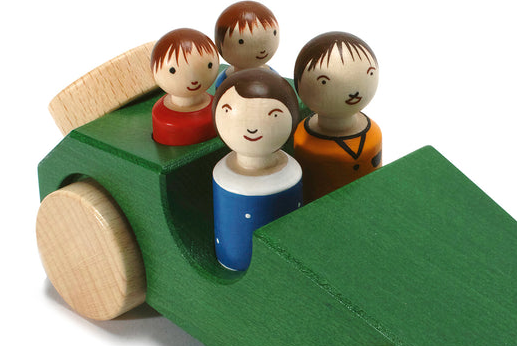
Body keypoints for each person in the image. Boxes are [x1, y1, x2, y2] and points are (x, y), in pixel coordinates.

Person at [212, 69, 302, 271]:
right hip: (236, 265)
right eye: (227, 111)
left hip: (286, 269)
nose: (251, 128)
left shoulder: (291, 173)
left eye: (274, 115)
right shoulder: (224, 175)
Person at [293, 31, 381, 201]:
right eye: (323, 82)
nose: (354, 92)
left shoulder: (372, 135)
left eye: (369, 73)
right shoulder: (303, 139)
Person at [151, 28, 220, 145]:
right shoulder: (161, 115)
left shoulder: (219, 108)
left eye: (209, 65)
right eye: (172, 70)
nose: (193, 80)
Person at [214, 1, 280, 88]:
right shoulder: (223, 82)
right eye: (241, 41)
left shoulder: (275, 79)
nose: (262, 50)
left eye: (274, 33)